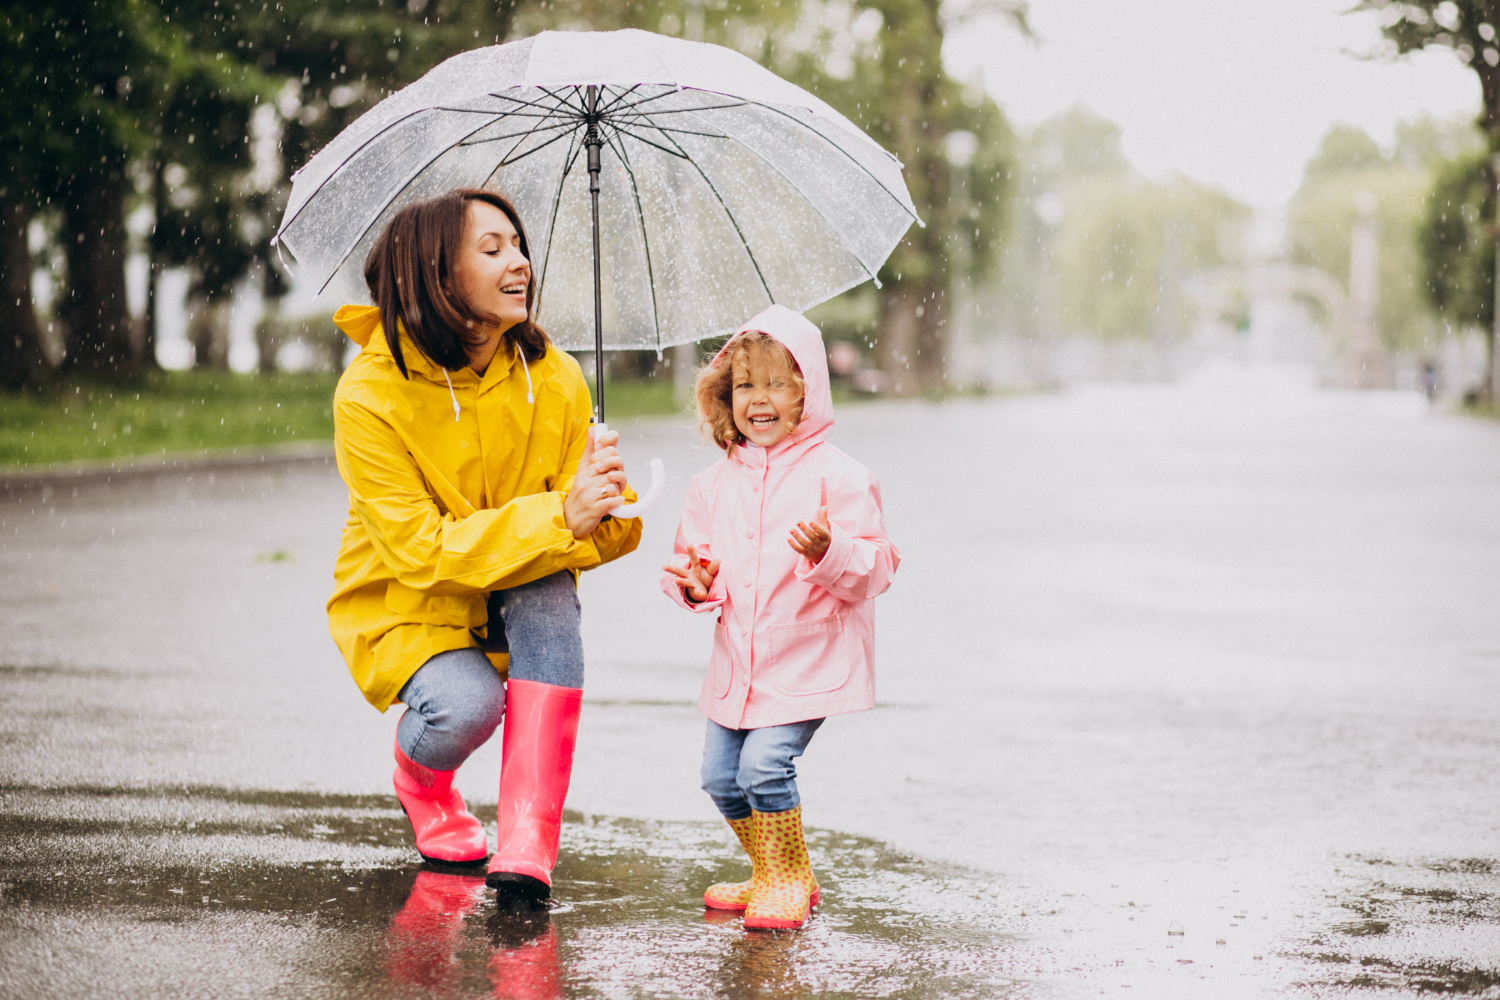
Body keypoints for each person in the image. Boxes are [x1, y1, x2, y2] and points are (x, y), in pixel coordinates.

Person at [327, 187, 642, 904]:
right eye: (493, 249)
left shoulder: (554, 375)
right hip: (413, 599)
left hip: (518, 591)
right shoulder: (368, 395)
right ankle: (422, 779)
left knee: (549, 585)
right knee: (467, 705)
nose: (520, 263)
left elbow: (590, 531)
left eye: (520, 245)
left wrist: (605, 501)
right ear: (436, 276)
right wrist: (562, 515)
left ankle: (529, 840)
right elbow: (419, 551)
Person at [660, 305, 899, 930]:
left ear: (807, 392)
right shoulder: (712, 485)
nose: (757, 399)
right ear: (725, 395)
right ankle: (774, 871)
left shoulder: (839, 476)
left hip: (808, 658)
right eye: (744, 385)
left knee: (764, 768)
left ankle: (789, 878)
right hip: (738, 662)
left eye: (776, 383)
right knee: (720, 777)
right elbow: (689, 562)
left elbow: (877, 567)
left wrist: (830, 551)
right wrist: (693, 584)